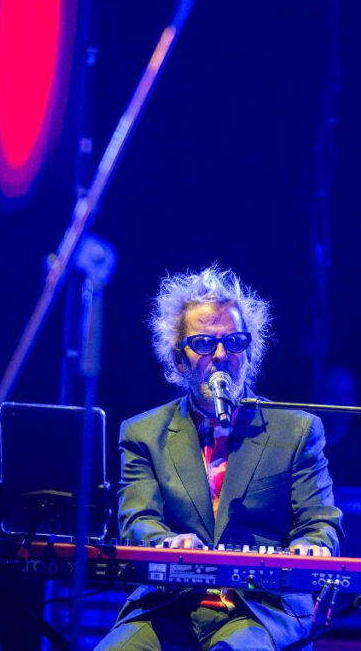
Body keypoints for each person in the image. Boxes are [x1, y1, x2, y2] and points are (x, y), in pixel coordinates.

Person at [95, 266, 343, 651]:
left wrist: (313, 545)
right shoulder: (143, 433)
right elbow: (138, 520)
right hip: (169, 605)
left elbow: (320, 522)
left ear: (250, 352)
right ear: (178, 360)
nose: (222, 355)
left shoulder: (296, 430)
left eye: (235, 342)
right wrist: (167, 543)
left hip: (261, 610)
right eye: (204, 344)